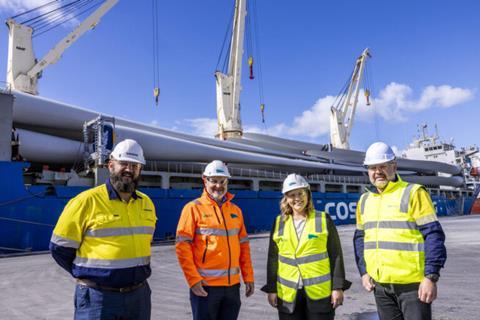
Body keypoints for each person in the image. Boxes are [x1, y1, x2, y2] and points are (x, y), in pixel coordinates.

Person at [49, 139, 157, 320]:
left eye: (135, 165)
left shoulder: (147, 203)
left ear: (140, 169)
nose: (129, 169)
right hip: (98, 299)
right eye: (124, 163)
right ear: (111, 165)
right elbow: (59, 248)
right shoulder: (86, 201)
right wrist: (90, 274)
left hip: (139, 296)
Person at [353, 141, 447, 320]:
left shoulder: (413, 193)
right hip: (380, 287)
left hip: (412, 286)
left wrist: (430, 277)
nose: (378, 172)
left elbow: (433, 235)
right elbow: (360, 238)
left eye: (383, 166)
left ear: (394, 167)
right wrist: (364, 272)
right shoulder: (365, 200)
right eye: (373, 167)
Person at [261, 173, 351, 320]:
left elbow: (336, 255)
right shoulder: (279, 223)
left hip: (319, 293)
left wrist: (337, 287)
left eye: (300, 193)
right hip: (288, 295)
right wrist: (272, 289)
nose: (297, 198)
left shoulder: (323, 219)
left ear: (308, 194)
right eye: (292, 195)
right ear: (286, 198)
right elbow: (273, 259)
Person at [176, 160, 254, 320]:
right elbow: (182, 247)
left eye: (222, 181)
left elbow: (243, 246)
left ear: (227, 182)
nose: (218, 186)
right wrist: (193, 280)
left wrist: (248, 277)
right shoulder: (193, 208)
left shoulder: (236, 211)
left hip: (232, 287)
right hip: (205, 287)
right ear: (205, 180)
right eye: (214, 181)